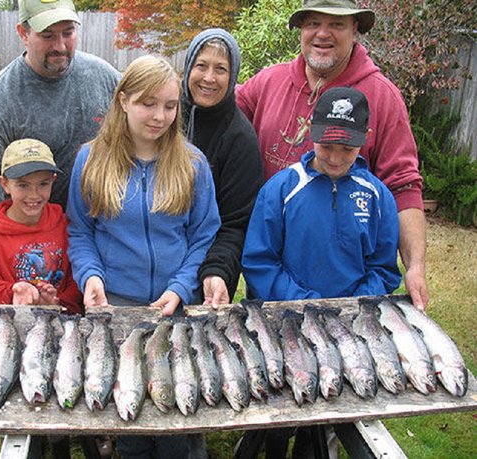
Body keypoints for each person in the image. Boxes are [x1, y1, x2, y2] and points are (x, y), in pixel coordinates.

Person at [67, 55, 220, 458]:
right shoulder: (91, 160)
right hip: (116, 307)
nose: (160, 116)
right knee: (129, 414)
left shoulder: (191, 163)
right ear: (123, 101)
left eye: (170, 106)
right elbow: (80, 231)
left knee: (175, 410)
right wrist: (91, 277)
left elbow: (203, 234)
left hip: (174, 307)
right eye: (148, 103)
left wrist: (181, 286)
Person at [235, 0, 428, 309]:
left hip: (349, 296)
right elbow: (219, 115)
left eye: (336, 24)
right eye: (312, 23)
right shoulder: (268, 81)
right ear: (300, 29)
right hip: (277, 292)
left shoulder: (382, 96)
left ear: (355, 29)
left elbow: (404, 186)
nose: (322, 33)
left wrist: (415, 265)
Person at [241, 86, 401, 458]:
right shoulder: (280, 189)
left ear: (364, 142)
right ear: (310, 132)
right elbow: (260, 262)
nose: (334, 157)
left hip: (349, 326)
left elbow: (383, 268)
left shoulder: (377, 197)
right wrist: (302, 301)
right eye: (326, 145)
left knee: (331, 401)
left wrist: (350, 303)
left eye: (346, 148)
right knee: (280, 405)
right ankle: (266, 442)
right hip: (284, 322)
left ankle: (316, 446)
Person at [0, 0, 121, 305]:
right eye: (48, 35)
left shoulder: (104, 78)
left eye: (68, 33)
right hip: (25, 242)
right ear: (23, 33)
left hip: (92, 238)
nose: (60, 45)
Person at [182, 28, 264, 306]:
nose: (209, 78)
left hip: (208, 273)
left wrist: (217, 270)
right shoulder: (165, 117)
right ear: (188, 67)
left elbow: (236, 224)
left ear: (232, 77)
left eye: (221, 69)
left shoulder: (240, 137)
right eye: (201, 65)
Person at [0, 138, 82, 313]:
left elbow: (75, 281)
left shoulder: (63, 223)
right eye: (23, 185)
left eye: (43, 184)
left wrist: (57, 303)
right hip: (12, 323)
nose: (33, 195)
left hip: (64, 321)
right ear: (5, 184)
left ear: (53, 180)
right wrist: (15, 293)